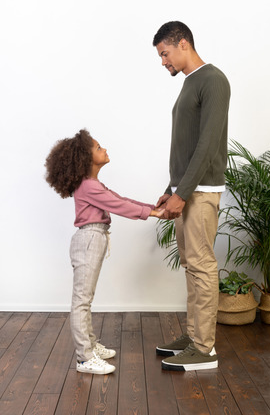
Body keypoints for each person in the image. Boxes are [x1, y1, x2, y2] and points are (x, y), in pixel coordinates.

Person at [45, 129, 164, 375]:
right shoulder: (88, 186)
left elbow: (120, 198)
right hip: (89, 239)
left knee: (85, 299)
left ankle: (89, 346)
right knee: (82, 301)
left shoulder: (92, 184)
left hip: (94, 238)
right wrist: (152, 213)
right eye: (99, 148)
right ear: (86, 159)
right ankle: (84, 358)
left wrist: (153, 208)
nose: (105, 149)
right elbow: (119, 206)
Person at [153, 21, 230, 371]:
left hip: (200, 191)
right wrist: (170, 189)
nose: (164, 62)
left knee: (201, 266)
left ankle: (205, 349)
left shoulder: (213, 80)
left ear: (182, 43)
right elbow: (185, 145)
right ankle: (195, 336)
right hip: (185, 190)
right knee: (191, 265)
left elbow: (207, 142)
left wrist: (182, 193)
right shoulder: (189, 83)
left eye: (165, 54)